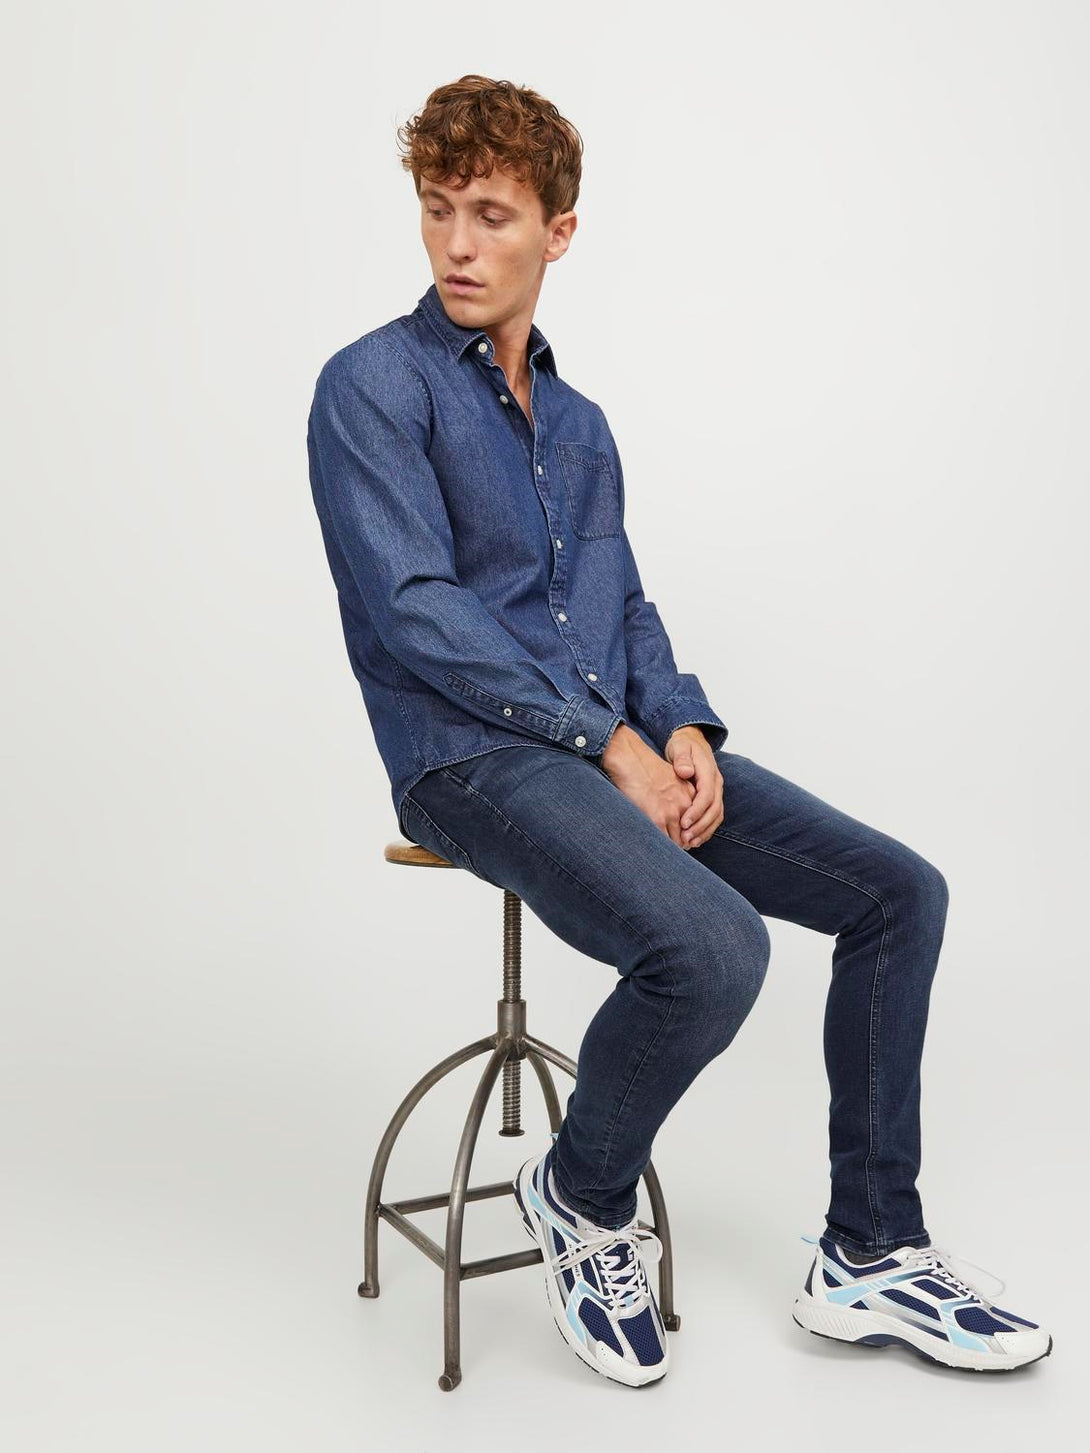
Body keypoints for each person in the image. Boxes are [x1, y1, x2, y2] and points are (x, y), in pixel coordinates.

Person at [305, 74, 1051, 1385]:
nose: (458, 245)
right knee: (712, 946)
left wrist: (682, 725)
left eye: (492, 215)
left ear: (559, 231)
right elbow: (417, 612)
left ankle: (870, 1250)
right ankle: (579, 1194)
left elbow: (621, 604)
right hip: (465, 759)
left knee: (899, 894)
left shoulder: (579, 428)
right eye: (437, 209)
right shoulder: (370, 386)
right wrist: (609, 746)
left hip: (608, 741)